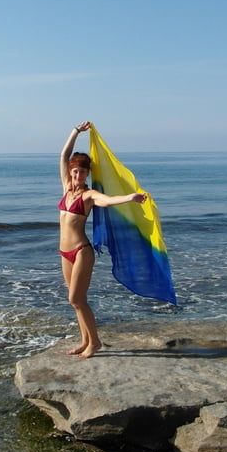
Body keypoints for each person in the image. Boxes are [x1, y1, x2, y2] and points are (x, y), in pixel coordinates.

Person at [58, 121, 146, 359]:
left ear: (87, 174)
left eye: (82, 172)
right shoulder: (66, 188)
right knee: (76, 302)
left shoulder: (89, 195)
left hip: (80, 251)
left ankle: (95, 342)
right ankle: (85, 340)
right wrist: (76, 132)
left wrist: (129, 197)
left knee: (75, 298)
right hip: (64, 253)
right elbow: (64, 154)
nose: (77, 175)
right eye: (75, 171)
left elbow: (107, 200)